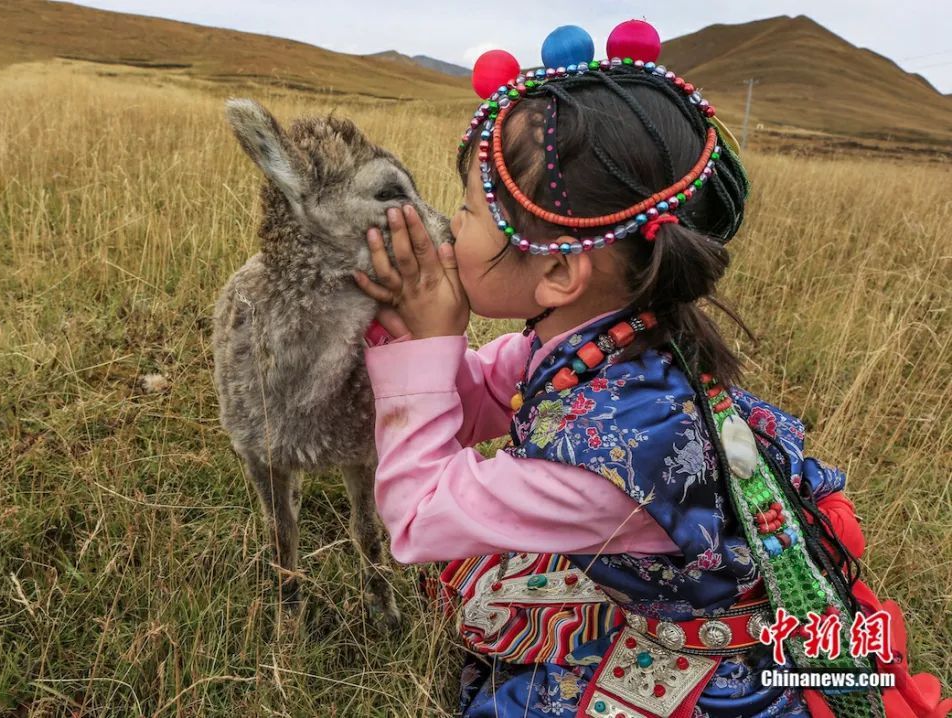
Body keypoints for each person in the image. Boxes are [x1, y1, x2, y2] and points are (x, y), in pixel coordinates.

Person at [350, 29, 950, 718]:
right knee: (490, 583)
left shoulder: (613, 460)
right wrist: (419, 345)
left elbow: (418, 517)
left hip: (712, 646)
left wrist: (430, 341)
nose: (449, 231)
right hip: (678, 578)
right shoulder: (612, 332)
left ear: (557, 272)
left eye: (468, 210)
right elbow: (490, 394)